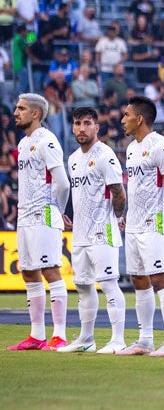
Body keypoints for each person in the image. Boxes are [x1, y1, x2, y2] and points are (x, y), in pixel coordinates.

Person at [57, 107, 127, 354]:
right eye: (78, 123)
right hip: (81, 234)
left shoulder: (105, 155)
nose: (82, 128)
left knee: (108, 284)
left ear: (97, 127)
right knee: (83, 285)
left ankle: (118, 340)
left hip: (102, 232)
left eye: (88, 123)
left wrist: (117, 218)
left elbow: (118, 192)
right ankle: (86, 339)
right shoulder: (74, 158)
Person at [116, 96, 164, 357]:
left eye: (127, 115)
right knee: (139, 280)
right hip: (133, 224)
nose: (122, 120)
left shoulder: (160, 145)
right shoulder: (132, 148)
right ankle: (145, 340)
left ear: (139, 119)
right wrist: (127, 213)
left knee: (159, 279)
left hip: (154, 222)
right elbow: (136, 187)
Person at [7, 93, 70, 351]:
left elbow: (63, 182)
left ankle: (59, 335)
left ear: (35, 114)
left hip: (43, 213)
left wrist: (57, 209)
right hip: (24, 216)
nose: (15, 112)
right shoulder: (23, 144)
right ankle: (36, 335)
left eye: (21, 108)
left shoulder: (48, 141)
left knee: (50, 270)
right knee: (29, 272)